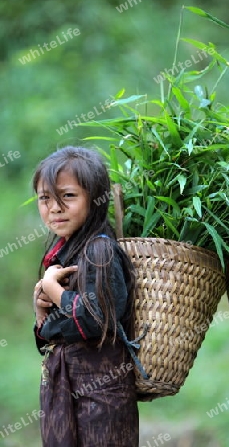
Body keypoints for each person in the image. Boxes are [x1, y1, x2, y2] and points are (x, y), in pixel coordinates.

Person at [32, 146, 139, 446]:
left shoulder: (99, 250)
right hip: (63, 387)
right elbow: (54, 334)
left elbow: (98, 318)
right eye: (45, 198)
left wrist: (54, 291)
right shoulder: (63, 251)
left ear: (94, 199)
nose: (54, 207)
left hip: (100, 393)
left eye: (67, 196)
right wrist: (42, 312)